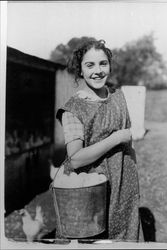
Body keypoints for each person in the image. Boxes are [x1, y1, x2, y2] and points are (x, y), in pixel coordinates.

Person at [56, 39, 140, 241]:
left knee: (125, 237)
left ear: (109, 65)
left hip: (124, 186)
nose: (98, 70)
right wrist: (117, 137)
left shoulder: (118, 96)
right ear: (80, 71)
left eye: (103, 63)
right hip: (91, 190)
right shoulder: (73, 109)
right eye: (89, 65)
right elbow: (75, 158)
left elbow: (128, 145)